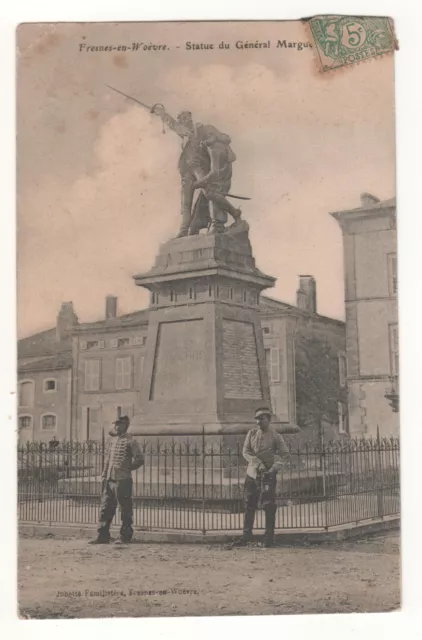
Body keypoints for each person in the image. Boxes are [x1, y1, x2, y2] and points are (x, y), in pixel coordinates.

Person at [150, 104, 241, 236]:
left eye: (185, 118)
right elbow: (173, 124)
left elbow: (225, 138)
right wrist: (162, 114)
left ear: (190, 118)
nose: (183, 121)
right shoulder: (183, 132)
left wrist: (213, 139)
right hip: (186, 169)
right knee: (185, 202)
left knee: (210, 193)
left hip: (199, 167)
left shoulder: (203, 129)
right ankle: (183, 230)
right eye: (181, 119)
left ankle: (234, 213)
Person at [233, 407, 289, 548]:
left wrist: (274, 468)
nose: (258, 422)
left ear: (269, 420)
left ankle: (269, 538)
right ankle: (246, 536)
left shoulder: (276, 436)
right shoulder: (251, 434)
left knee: (268, 505)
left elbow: (285, 455)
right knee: (249, 504)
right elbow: (246, 451)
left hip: (268, 475)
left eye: (261, 419)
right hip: (252, 474)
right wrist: (258, 464)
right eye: (256, 419)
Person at [89, 415, 144, 545]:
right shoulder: (113, 441)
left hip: (123, 480)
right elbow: (108, 460)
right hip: (110, 479)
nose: (116, 427)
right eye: (116, 424)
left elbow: (140, 459)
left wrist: (128, 468)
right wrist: (104, 475)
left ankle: (125, 537)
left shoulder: (131, 441)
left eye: (119, 424)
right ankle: (102, 536)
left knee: (125, 509)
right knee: (106, 508)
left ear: (125, 425)